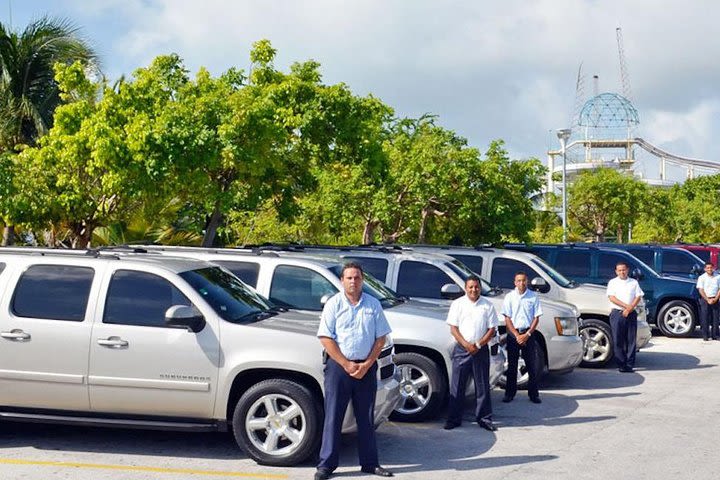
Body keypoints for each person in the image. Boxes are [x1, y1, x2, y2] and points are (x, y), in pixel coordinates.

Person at [315, 262, 393, 480]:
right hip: (339, 368)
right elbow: (325, 337)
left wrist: (367, 363)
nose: (353, 281)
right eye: (349, 278)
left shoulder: (373, 304)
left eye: (357, 277)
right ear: (342, 281)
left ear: (362, 280)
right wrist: (345, 363)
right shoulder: (333, 304)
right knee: (333, 417)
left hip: (366, 368)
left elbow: (381, 337)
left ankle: (370, 463)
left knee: (365, 418)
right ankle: (326, 465)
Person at [443, 275, 498, 431]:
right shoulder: (457, 304)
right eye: (471, 287)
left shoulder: (487, 305)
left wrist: (479, 344)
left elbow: (492, 329)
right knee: (457, 386)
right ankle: (454, 419)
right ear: (466, 288)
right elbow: (453, 328)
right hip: (462, 348)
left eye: (476, 287)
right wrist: (466, 344)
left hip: (480, 349)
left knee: (482, 386)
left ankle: (484, 419)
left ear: (480, 288)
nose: (474, 290)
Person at [502, 271, 542, 404]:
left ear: (527, 281)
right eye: (518, 280)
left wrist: (527, 334)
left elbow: (536, 318)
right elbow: (507, 318)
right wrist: (516, 335)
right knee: (512, 366)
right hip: (514, 334)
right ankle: (509, 393)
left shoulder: (533, 296)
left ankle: (533, 394)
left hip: (528, 334)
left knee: (531, 365)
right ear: (515, 282)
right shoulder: (509, 297)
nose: (521, 283)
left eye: (524, 280)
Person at [607, 262, 644, 372]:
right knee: (618, 339)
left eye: (624, 270)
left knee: (631, 340)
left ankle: (629, 364)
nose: (622, 272)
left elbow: (638, 296)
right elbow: (612, 297)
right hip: (617, 313)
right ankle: (621, 364)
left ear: (627, 270)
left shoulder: (633, 282)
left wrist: (630, 308)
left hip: (631, 313)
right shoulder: (613, 282)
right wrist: (625, 307)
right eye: (619, 270)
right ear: (616, 271)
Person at [696, 262, 720, 341]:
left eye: (711, 267)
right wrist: (707, 299)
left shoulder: (718, 277)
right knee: (705, 318)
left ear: (713, 268)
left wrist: (716, 298)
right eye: (708, 268)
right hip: (705, 299)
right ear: (705, 269)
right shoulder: (701, 278)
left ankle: (715, 335)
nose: (709, 269)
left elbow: (719, 289)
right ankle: (705, 335)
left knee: (715, 318)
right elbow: (700, 290)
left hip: (715, 298)